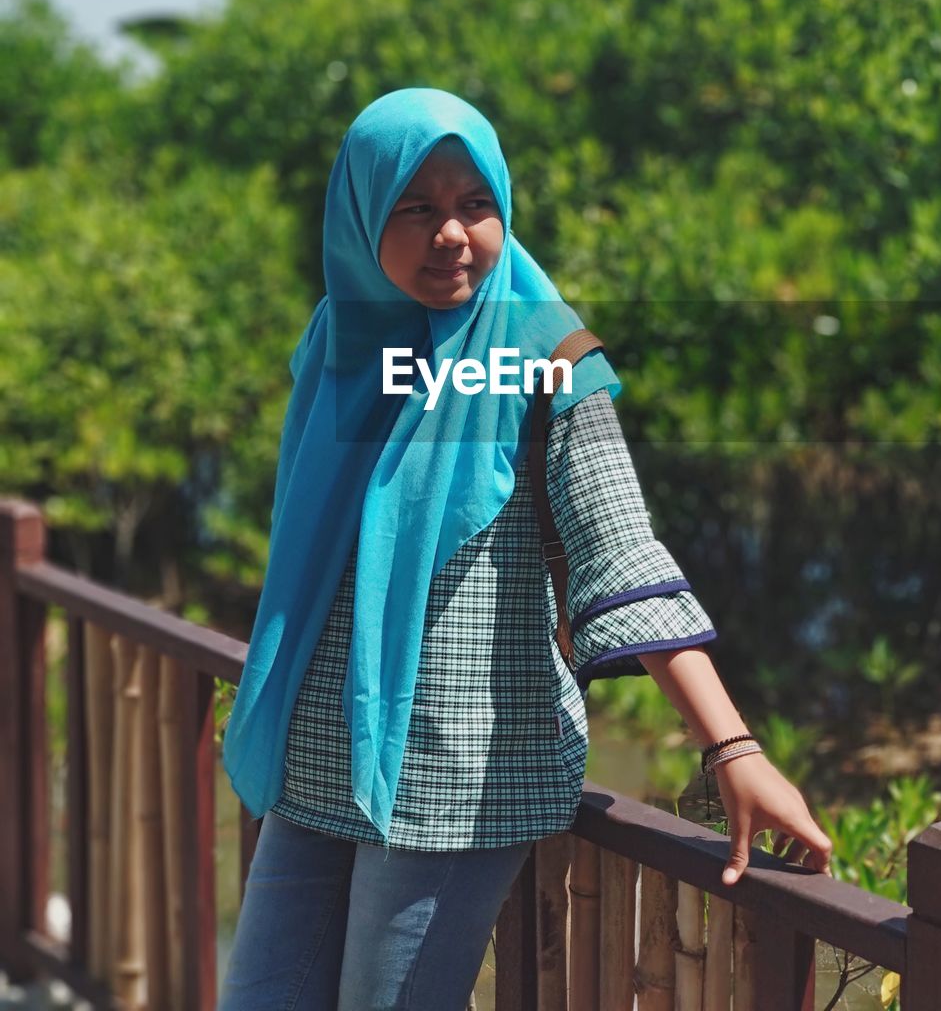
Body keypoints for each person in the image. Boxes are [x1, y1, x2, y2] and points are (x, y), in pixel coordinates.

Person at [217, 87, 832, 1011]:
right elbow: (310, 561)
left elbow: (617, 550)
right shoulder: (343, 340)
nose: (451, 234)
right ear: (360, 215)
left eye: (475, 204)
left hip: (461, 769)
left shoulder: (545, 354)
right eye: (414, 208)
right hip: (319, 752)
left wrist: (732, 748)